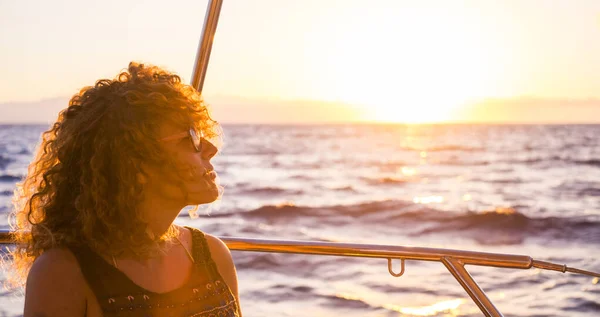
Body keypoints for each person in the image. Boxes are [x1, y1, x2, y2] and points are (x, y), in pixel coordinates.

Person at [8, 62, 242, 316]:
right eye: (190, 138)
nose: (210, 148)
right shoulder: (62, 273)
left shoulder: (213, 255)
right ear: (135, 165)